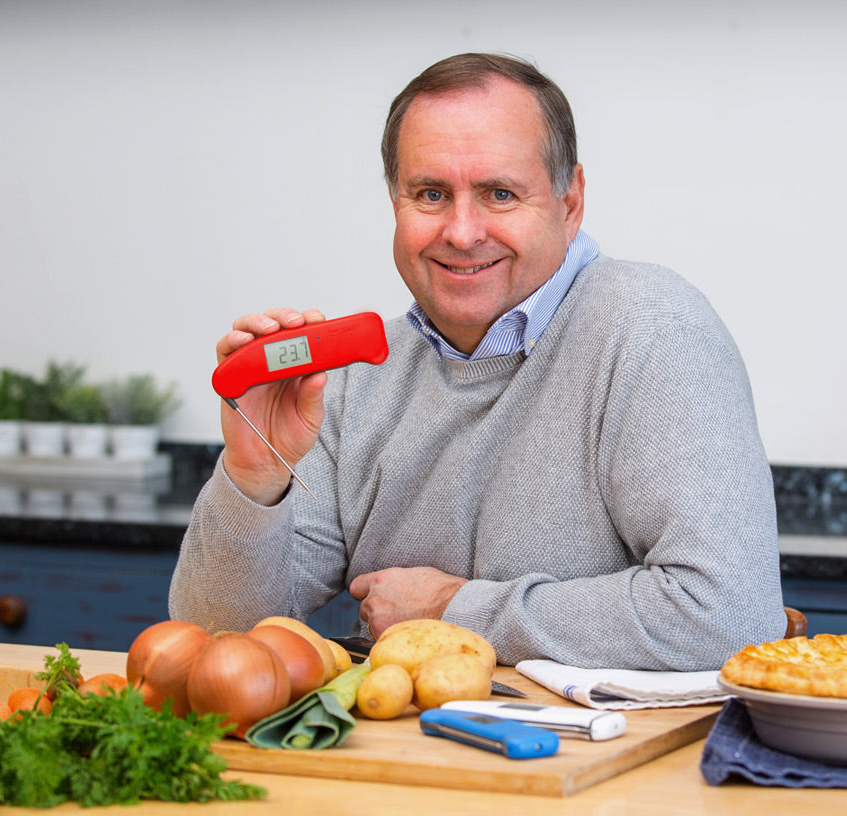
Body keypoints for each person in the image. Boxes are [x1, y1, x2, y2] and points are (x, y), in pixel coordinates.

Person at [169, 52, 785, 670]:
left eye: (499, 193)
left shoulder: (651, 327)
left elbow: (726, 617)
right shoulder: (351, 381)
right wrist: (253, 477)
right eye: (431, 194)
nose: (462, 232)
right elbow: (214, 641)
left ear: (570, 203)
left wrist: (452, 611)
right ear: (395, 202)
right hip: (408, 759)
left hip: (605, 762)